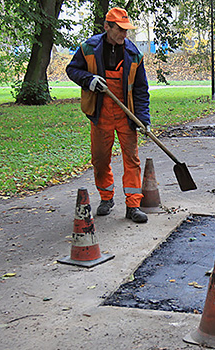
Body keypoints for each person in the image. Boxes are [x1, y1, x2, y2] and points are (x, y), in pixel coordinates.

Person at [66, 7, 151, 223]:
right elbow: (72, 70)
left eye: (126, 30)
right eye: (120, 30)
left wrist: (144, 119)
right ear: (107, 27)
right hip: (101, 113)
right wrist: (89, 80)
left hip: (126, 114)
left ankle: (133, 205)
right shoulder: (88, 48)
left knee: (131, 159)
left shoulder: (134, 54)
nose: (124, 34)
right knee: (100, 159)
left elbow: (141, 89)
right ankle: (106, 198)